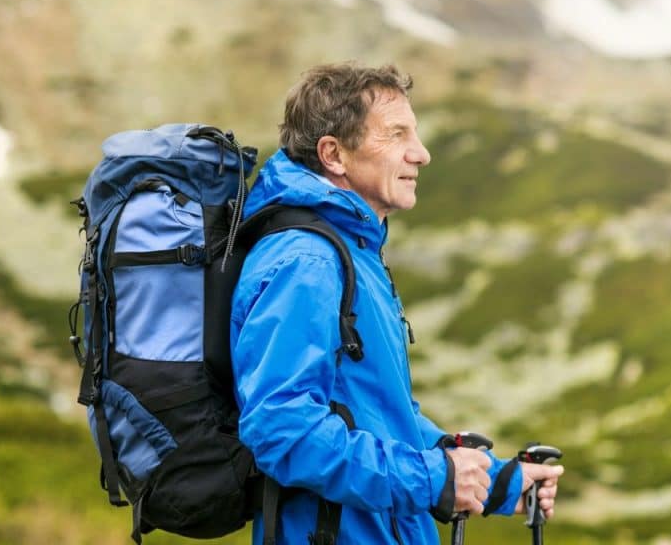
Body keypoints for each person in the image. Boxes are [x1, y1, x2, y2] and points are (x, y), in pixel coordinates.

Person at [230, 62, 564, 544]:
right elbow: (281, 428)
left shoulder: (350, 252)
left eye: (417, 134)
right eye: (396, 134)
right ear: (334, 154)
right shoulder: (307, 262)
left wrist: (496, 481)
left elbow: (378, 417)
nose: (422, 153)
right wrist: (431, 479)